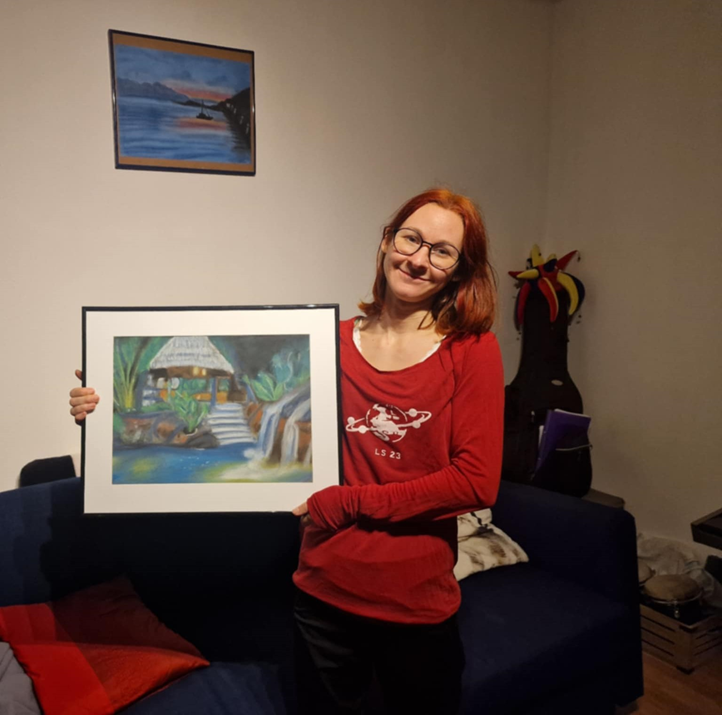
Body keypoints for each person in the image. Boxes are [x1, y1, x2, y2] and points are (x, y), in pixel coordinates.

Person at [69, 188, 504, 715]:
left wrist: (347, 502)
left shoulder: (470, 351)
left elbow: (474, 481)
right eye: (410, 239)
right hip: (322, 592)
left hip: (416, 603)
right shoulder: (325, 343)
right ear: (387, 241)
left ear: (459, 271)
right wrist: (110, 413)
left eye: (441, 251)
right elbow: (253, 421)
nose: (418, 259)